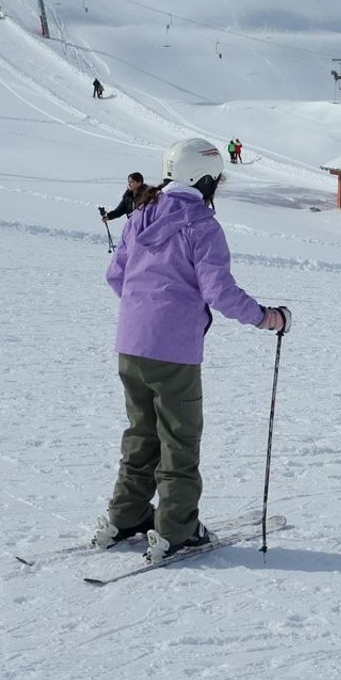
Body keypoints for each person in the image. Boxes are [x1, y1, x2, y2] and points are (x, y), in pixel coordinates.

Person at [93, 137, 292, 563]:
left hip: (130, 345)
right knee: (179, 441)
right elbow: (219, 292)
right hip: (175, 353)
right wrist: (268, 317)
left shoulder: (141, 213)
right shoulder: (202, 225)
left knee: (141, 434)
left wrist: (143, 312)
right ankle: (177, 531)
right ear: (203, 179)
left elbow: (116, 276)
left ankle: (126, 517)